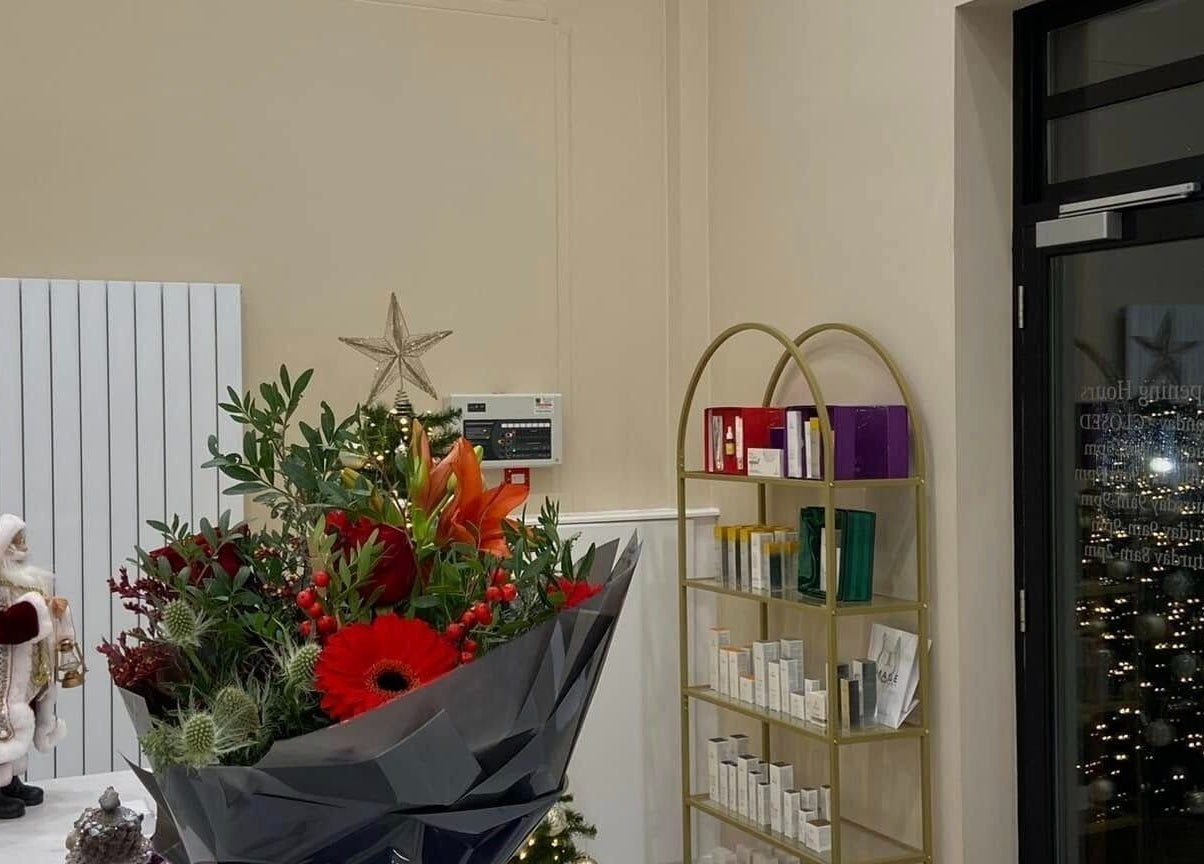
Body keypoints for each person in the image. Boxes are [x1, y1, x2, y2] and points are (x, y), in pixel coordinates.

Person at [0, 513, 69, 819]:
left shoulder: (23, 582)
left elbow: (36, 620)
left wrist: (53, 608)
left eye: (22, 540)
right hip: (2, 676)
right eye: (15, 541)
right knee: (3, 729)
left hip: (25, 673)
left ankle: (10, 782)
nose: (22, 547)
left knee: (20, 725)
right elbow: (11, 626)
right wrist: (38, 607)